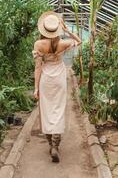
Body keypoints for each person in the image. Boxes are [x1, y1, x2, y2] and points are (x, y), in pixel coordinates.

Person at [32, 11, 81, 163]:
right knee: (58, 110)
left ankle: (50, 144)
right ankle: (56, 146)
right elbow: (79, 41)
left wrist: (36, 89)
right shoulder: (63, 43)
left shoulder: (39, 44)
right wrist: (66, 30)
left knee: (46, 111)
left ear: (44, 29)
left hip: (46, 79)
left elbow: (38, 67)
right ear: (57, 29)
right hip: (59, 78)